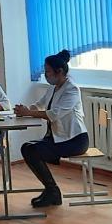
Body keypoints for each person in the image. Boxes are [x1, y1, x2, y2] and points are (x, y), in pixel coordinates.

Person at [14, 50, 87, 208]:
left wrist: (28, 113)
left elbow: (54, 114)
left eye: (47, 71)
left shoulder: (72, 89)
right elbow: (40, 104)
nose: (45, 75)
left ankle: (52, 191)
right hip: (57, 137)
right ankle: (51, 190)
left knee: (32, 150)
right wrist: (25, 110)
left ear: (59, 72)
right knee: (27, 147)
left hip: (74, 140)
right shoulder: (54, 87)